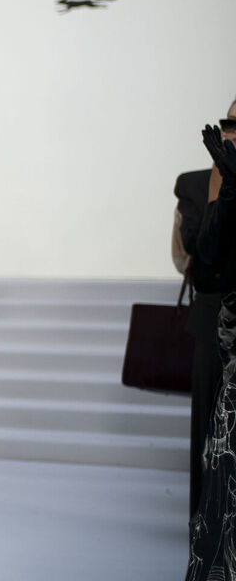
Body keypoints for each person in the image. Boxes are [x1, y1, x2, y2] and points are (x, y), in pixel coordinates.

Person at [185, 118, 236, 580]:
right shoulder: (206, 183)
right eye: (229, 122)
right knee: (217, 450)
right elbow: (202, 258)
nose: (233, 131)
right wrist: (226, 191)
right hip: (223, 326)